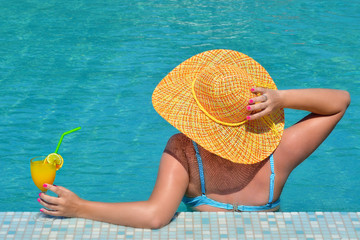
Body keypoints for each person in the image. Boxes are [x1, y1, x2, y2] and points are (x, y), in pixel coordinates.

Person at [38, 49, 350, 229]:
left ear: (194, 113)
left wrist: (80, 208)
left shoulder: (185, 151)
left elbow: (155, 216)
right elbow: (340, 102)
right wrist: (282, 98)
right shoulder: (278, 155)